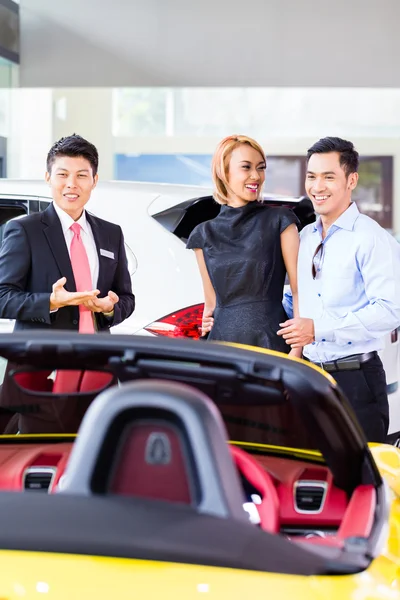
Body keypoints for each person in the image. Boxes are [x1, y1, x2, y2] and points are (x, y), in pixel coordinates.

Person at [0, 134, 135, 432]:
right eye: (62, 174)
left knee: (98, 456)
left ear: (94, 180)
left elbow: (126, 297)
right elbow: (3, 297)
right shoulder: (24, 230)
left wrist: (110, 309)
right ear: (48, 177)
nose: (71, 184)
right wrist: (50, 302)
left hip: (97, 371)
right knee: (43, 457)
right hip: (41, 373)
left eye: (81, 175)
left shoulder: (111, 234)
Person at [278, 136, 400, 442]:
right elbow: (295, 300)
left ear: (352, 180)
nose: (317, 186)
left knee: (359, 479)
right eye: (312, 176)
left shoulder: (370, 238)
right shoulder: (304, 237)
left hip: (355, 382)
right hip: (308, 377)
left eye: (328, 177)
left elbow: (391, 310)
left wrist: (319, 330)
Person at [186, 134, 300, 354]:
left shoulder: (280, 221)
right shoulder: (203, 234)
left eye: (261, 167)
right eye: (246, 167)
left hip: (271, 343)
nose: (256, 176)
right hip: (221, 345)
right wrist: (205, 324)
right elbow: (211, 304)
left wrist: (297, 349)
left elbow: (299, 291)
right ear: (223, 172)